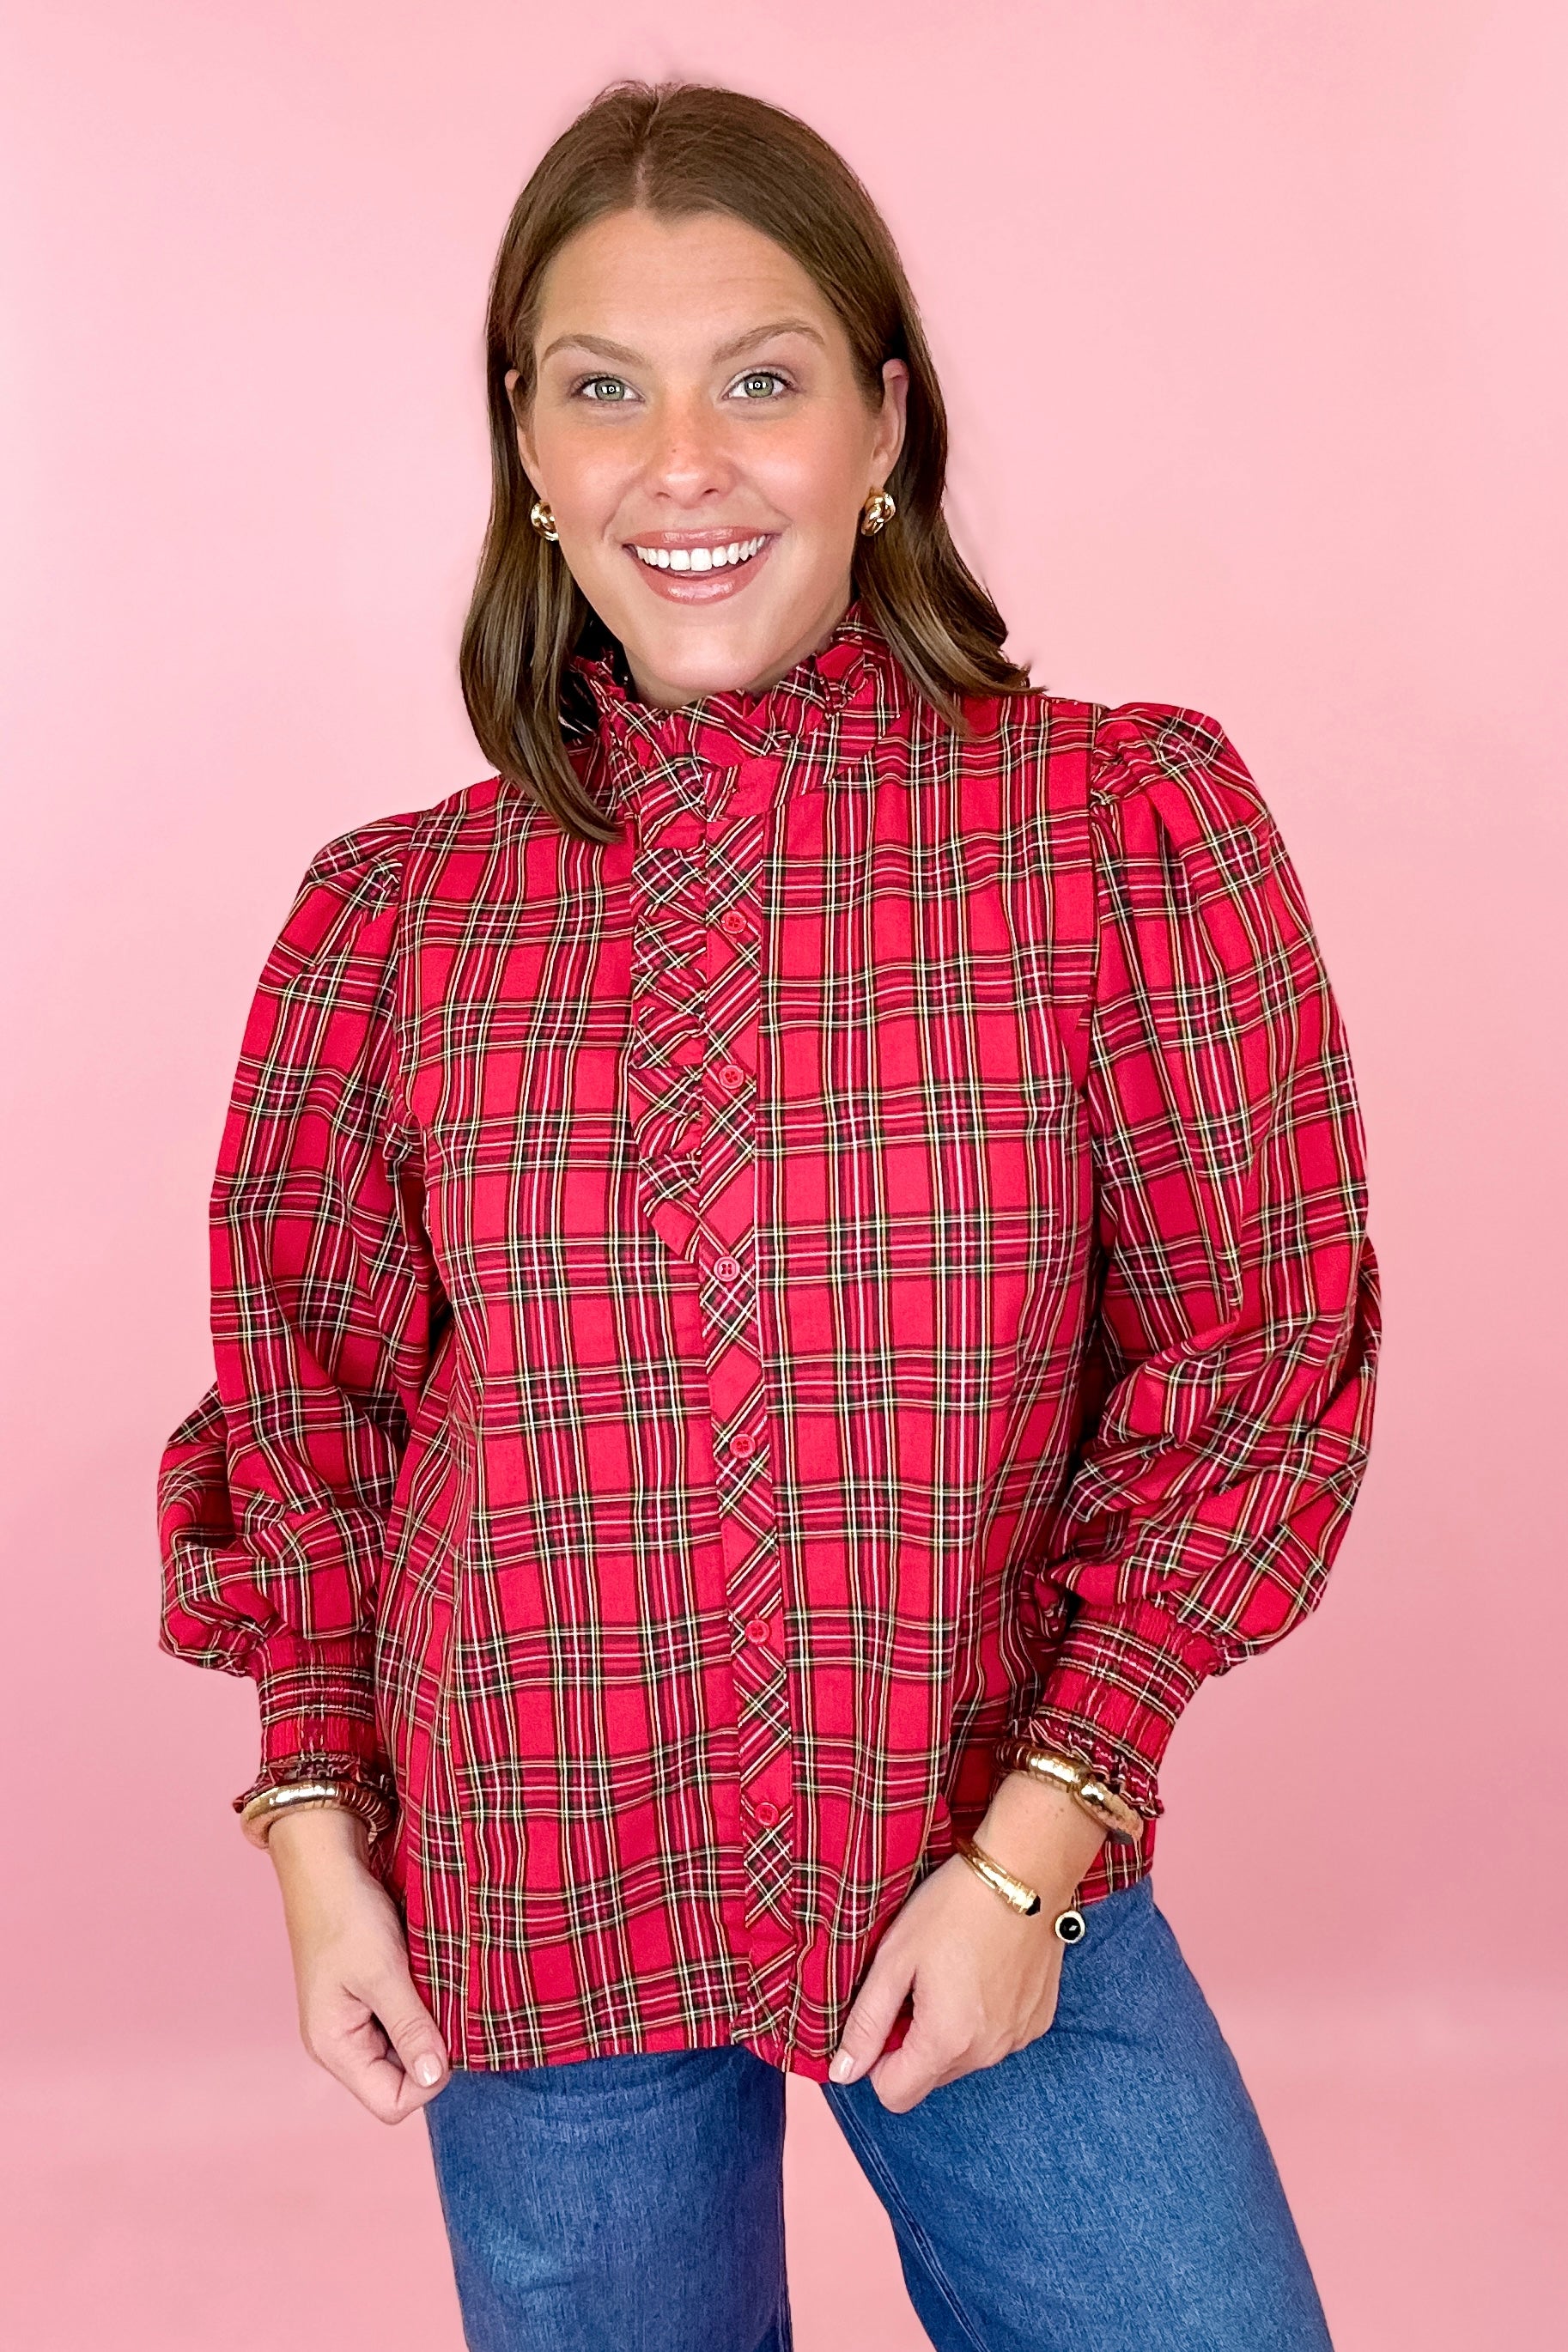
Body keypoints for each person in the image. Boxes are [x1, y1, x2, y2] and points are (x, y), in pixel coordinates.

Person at [157, 78, 1380, 2352]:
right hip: (527, 1887)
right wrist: (319, 1842)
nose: (681, 464)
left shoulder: (1116, 825)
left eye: (760, 380)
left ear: (883, 422)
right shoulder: (392, 920)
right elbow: (312, 1416)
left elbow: (1253, 1355)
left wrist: (1037, 1847)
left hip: (978, 1852)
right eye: (601, 387)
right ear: (525, 444)